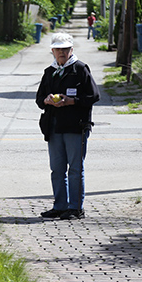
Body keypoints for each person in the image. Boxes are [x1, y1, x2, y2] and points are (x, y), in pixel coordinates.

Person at [36, 32, 100, 220]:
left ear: (71, 50)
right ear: (52, 51)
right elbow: (39, 99)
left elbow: (94, 96)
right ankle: (60, 206)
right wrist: (47, 100)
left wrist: (72, 101)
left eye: (65, 49)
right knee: (57, 168)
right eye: (58, 49)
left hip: (75, 126)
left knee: (75, 168)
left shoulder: (80, 69)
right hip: (54, 127)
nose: (61, 52)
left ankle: (75, 207)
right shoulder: (49, 72)